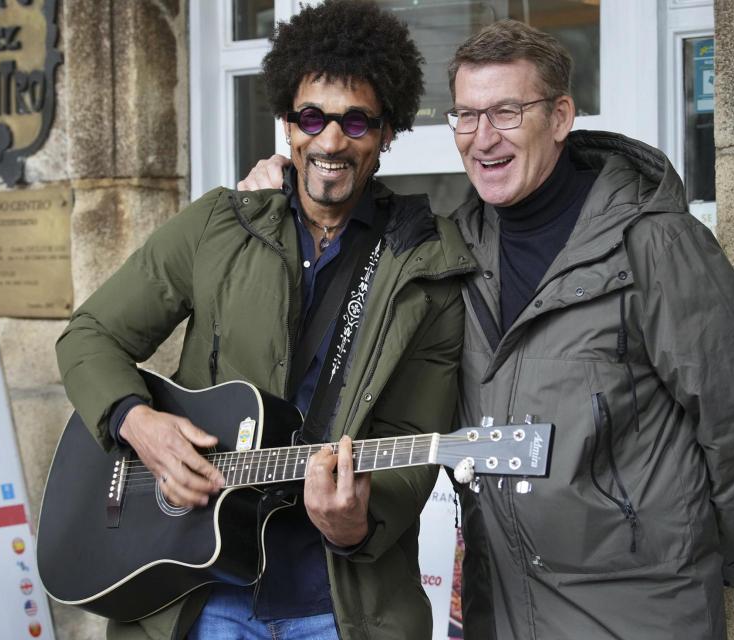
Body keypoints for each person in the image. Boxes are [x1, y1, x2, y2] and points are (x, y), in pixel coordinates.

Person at [241, 19, 734, 640]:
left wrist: (691, 560)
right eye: (466, 116)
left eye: (506, 112)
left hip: (638, 610)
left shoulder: (656, 245)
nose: (483, 138)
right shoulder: (454, 248)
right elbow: (351, 241)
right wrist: (282, 202)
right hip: (500, 606)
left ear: (559, 117)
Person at [55, 1, 473, 639]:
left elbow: (414, 439)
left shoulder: (426, 263)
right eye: (313, 117)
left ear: (387, 131)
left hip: (336, 605)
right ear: (287, 123)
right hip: (201, 594)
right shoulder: (221, 222)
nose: (330, 142)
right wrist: (139, 425)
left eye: (356, 121)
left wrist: (357, 522)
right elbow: (90, 336)